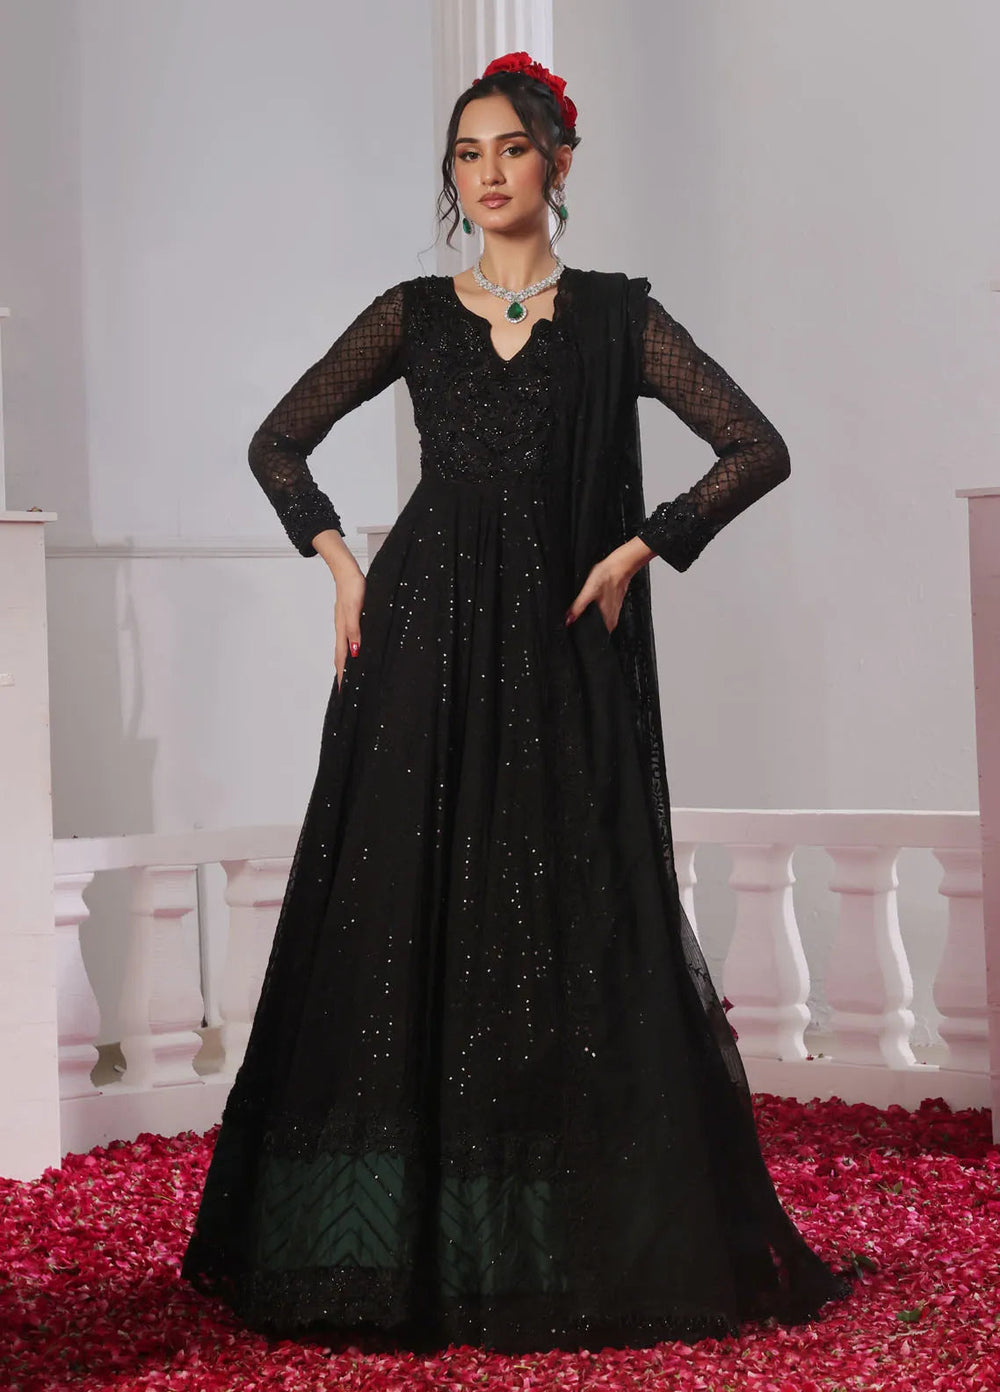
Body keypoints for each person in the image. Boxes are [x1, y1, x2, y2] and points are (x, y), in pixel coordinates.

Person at [180, 51, 853, 1355]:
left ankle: (567, 1233)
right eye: (467, 154)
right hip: (422, 642)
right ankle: (404, 1244)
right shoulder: (413, 317)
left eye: (511, 149)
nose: (488, 174)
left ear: (558, 162)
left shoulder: (613, 319)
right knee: (407, 913)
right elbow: (277, 441)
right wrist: (340, 565)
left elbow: (756, 447)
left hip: (557, 651)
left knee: (562, 915)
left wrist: (640, 546)